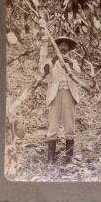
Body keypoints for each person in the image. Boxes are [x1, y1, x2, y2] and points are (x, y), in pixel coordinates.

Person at [42, 36, 81, 164]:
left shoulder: (73, 61)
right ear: (57, 47)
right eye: (61, 45)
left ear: (69, 48)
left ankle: (69, 158)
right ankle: (51, 159)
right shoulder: (51, 61)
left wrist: (69, 62)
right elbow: (44, 72)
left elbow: (78, 74)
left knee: (69, 126)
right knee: (53, 126)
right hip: (55, 94)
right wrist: (53, 60)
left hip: (69, 94)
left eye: (66, 46)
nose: (63, 48)